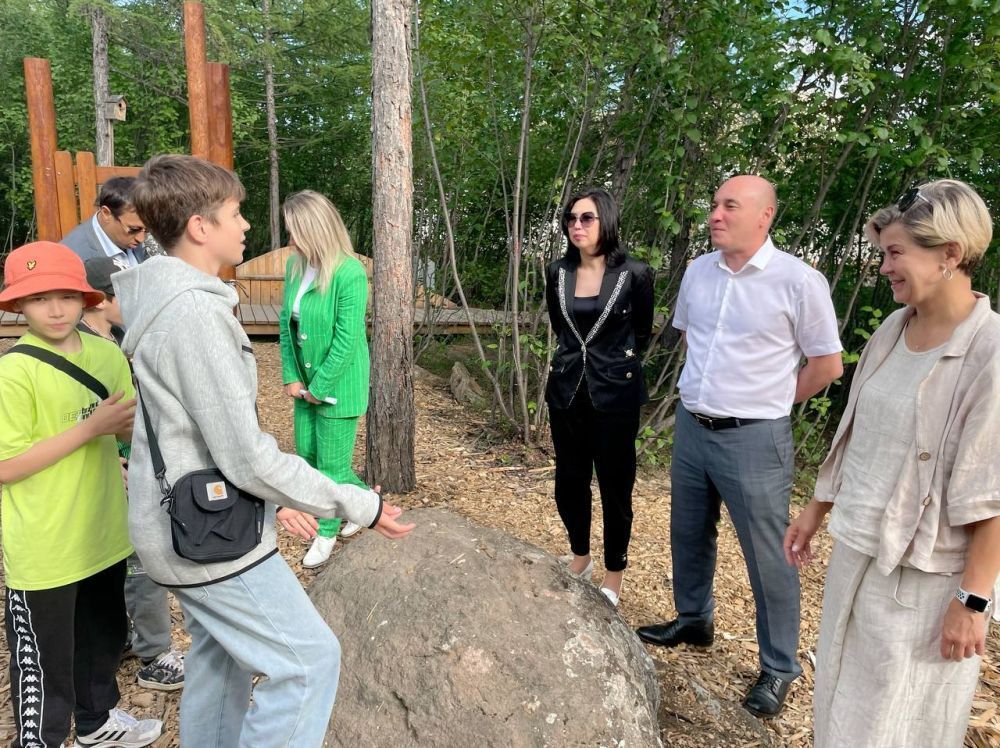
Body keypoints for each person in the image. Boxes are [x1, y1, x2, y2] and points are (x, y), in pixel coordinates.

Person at [114, 154, 415, 747]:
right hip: (207, 537)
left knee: (219, 657)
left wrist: (277, 501)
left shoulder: (163, 297)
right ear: (200, 226)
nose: (247, 225)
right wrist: (360, 504)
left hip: (178, 521)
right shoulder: (193, 313)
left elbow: (194, 437)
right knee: (308, 663)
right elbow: (246, 458)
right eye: (236, 213)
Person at [784, 179, 1000, 746]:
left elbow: (991, 492)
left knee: (895, 725)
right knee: (839, 704)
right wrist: (816, 509)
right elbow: (858, 434)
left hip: (925, 581)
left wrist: (972, 602)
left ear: (949, 253)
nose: (883, 267)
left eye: (895, 252)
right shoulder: (892, 328)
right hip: (858, 552)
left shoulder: (990, 352)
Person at [635, 175, 843, 717]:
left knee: (770, 554)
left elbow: (827, 365)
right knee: (688, 530)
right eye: (714, 205)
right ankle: (694, 619)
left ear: (765, 215)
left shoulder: (799, 281)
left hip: (755, 437)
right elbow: (691, 338)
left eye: (730, 206)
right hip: (692, 427)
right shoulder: (698, 271)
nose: (716, 215)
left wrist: (768, 401)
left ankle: (779, 666)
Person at [0, 242, 162, 747]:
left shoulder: (106, 355)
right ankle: (40, 740)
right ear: (18, 305)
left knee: (101, 639)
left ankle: (96, 722)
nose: (55, 309)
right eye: (38, 298)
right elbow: (6, 466)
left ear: (85, 299)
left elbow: (128, 431)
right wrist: (90, 429)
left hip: (103, 532)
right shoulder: (13, 372)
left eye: (67, 296)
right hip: (45, 546)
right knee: (44, 663)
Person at [79, 257, 186, 692]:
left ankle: (127, 635)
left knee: (128, 561)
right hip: (119, 470)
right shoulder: (86, 349)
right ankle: (155, 655)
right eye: (124, 293)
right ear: (100, 300)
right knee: (141, 561)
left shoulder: (117, 339)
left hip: (136, 462)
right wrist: (112, 458)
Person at [544, 187, 654, 607]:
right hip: (567, 389)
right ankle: (580, 556)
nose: (577, 226)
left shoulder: (635, 273)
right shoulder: (557, 271)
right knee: (569, 481)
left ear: (605, 221)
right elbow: (561, 328)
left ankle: (614, 574)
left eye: (586, 218)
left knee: (615, 486)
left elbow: (640, 333)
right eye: (571, 218)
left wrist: (609, 362)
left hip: (616, 394)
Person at [278, 190, 371, 568]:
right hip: (304, 385)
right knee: (309, 457)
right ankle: (366, 503)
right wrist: (291, 376)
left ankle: (326, 532)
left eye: (294, 231)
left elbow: (347, 341)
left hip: (338, 388)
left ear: (315, 229)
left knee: (330, 469)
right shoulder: (295, 266)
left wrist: (320, 388)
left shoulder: (350, 273)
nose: (290, 240)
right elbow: (285, 325)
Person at [61, 177, 150, 268]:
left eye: (148, 229)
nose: (141, 239)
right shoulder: (72, 258)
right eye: (134, 229)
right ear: (106, 213)